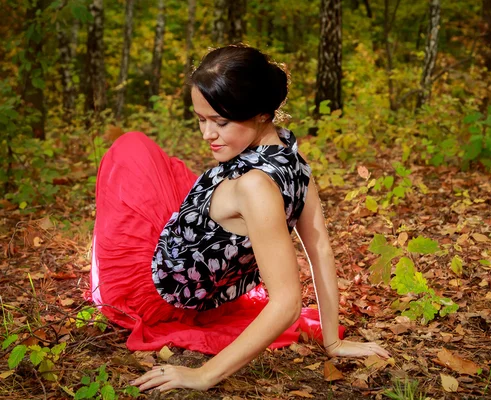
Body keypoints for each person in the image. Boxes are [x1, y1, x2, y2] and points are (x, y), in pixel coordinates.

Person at [90, 45, 389, 393]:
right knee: (141, 150)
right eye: (201, 119)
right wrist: (330, 340)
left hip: (154, 289)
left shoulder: (254, 189)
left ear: (262, 113)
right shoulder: (294, 159)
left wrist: (204, 374)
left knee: (129, 149)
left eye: (220, 122)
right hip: (197, 253)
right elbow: (319, 247)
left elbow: (288, 304)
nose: (207, 134)